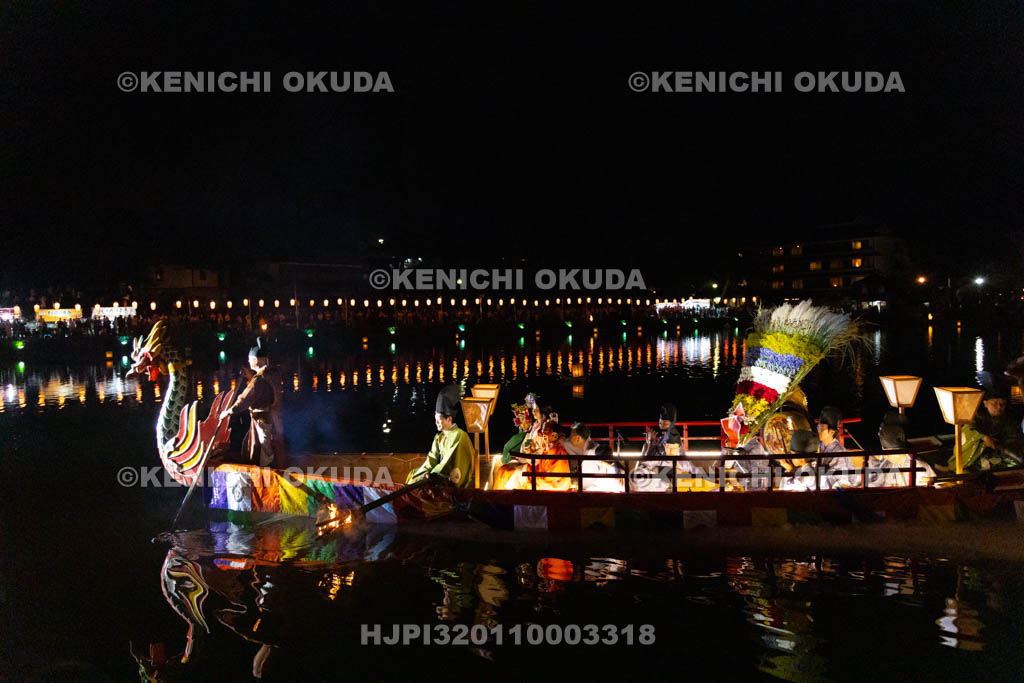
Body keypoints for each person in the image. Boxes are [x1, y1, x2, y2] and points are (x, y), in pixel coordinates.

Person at [220, 337, 285, 468]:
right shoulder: (272, 373)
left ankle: (267, 478)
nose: (249, 362)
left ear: (255, 360)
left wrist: (228, 411)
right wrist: (250, 376)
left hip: (263, 421)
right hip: (272, 418)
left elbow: (245, 398)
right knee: (268, 446)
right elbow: (262, 389)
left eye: (250, 360)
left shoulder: (259, 380)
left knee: (264, 451)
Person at [490, 393, 571, 490]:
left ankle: (500, 498)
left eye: (536, 410)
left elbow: (544, 464)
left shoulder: (553, 441)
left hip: (535, 466)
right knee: (503, 470)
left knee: (505, 472)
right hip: (533, 463)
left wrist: (528, 455)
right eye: (533, 409)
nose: (533, 412)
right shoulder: (538, 426)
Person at [407, 385, 476, 487]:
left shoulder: (459, 435)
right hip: (437, 473)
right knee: (413, 475)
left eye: (439, 420)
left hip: (448, 476)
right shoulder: (439, 437)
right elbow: (431, 460)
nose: (436, 422)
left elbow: (447, 463)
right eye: (435, 419)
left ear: (449, 419)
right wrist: (420, 475)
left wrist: (431, 475)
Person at [955, 387, 1024, 471]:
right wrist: (983, 437)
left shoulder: (1009, 419)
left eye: (1002, 404)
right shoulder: (976, 416)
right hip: (977, 453)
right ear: (985, 404)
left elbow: (1015, 438)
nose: (999, 407)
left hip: (999, 453)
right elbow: (969, 429)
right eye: (994, 403)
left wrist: (1001, 445)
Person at [634, 403, 688, 491]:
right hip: (654, 470)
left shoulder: (673, 438)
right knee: (645, 448)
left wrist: (651, 443)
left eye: (665, 423)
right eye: (660, 422)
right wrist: (649, 443)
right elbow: (645, 461)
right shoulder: (660, 439)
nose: (662, 424)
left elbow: (670, 461)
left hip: (666, 473)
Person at [565, 422, 625, 492]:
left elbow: (605, 451)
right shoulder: (585, 448)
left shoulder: (594, 450)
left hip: (603, 490)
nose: (569, 439)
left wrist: (614, 468)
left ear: (578, 438)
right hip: (594, 488)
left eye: (571, 436)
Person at [818, 406, 863, 488]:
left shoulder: (839, 452)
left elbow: (841, 483)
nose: (818, 430)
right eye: (818, 427)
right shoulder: (819, 446)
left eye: (821, 428)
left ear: (832, 432)